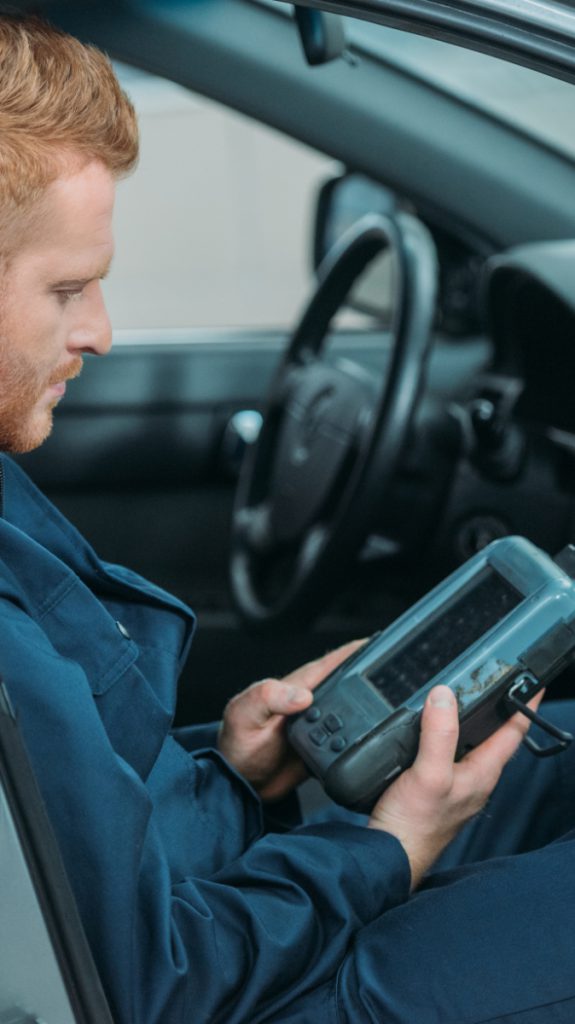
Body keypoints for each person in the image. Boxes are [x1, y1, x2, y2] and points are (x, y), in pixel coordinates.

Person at [1, 13, 575, 1024]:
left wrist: (229, 775)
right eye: (68, 288)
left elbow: (75, 841)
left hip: (198, 925)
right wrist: (384, 848)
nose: (97, 331)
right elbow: (153, 986)